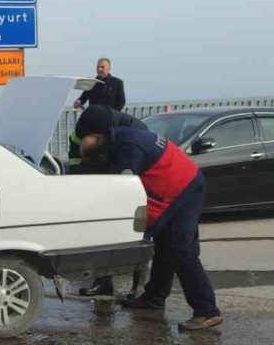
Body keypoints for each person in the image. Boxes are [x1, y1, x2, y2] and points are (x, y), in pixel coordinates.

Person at [80, 127, 223, 331]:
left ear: (101, 153)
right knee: (165, 246)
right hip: (180, 183)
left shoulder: (129, 151)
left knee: (182, 251)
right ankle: (154, 298)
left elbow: (124, 188)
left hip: (185, 189)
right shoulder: (118, 137)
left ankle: (207, 311)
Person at [72, 106, 149, 298]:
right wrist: (75, 181)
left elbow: (132, 171)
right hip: (105, 183)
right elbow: (76, 159)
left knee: (137, 235)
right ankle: (103, 283)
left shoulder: (135, 134)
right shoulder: (82, 132)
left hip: (133, 184)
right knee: (102, 235)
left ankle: (138, 287)